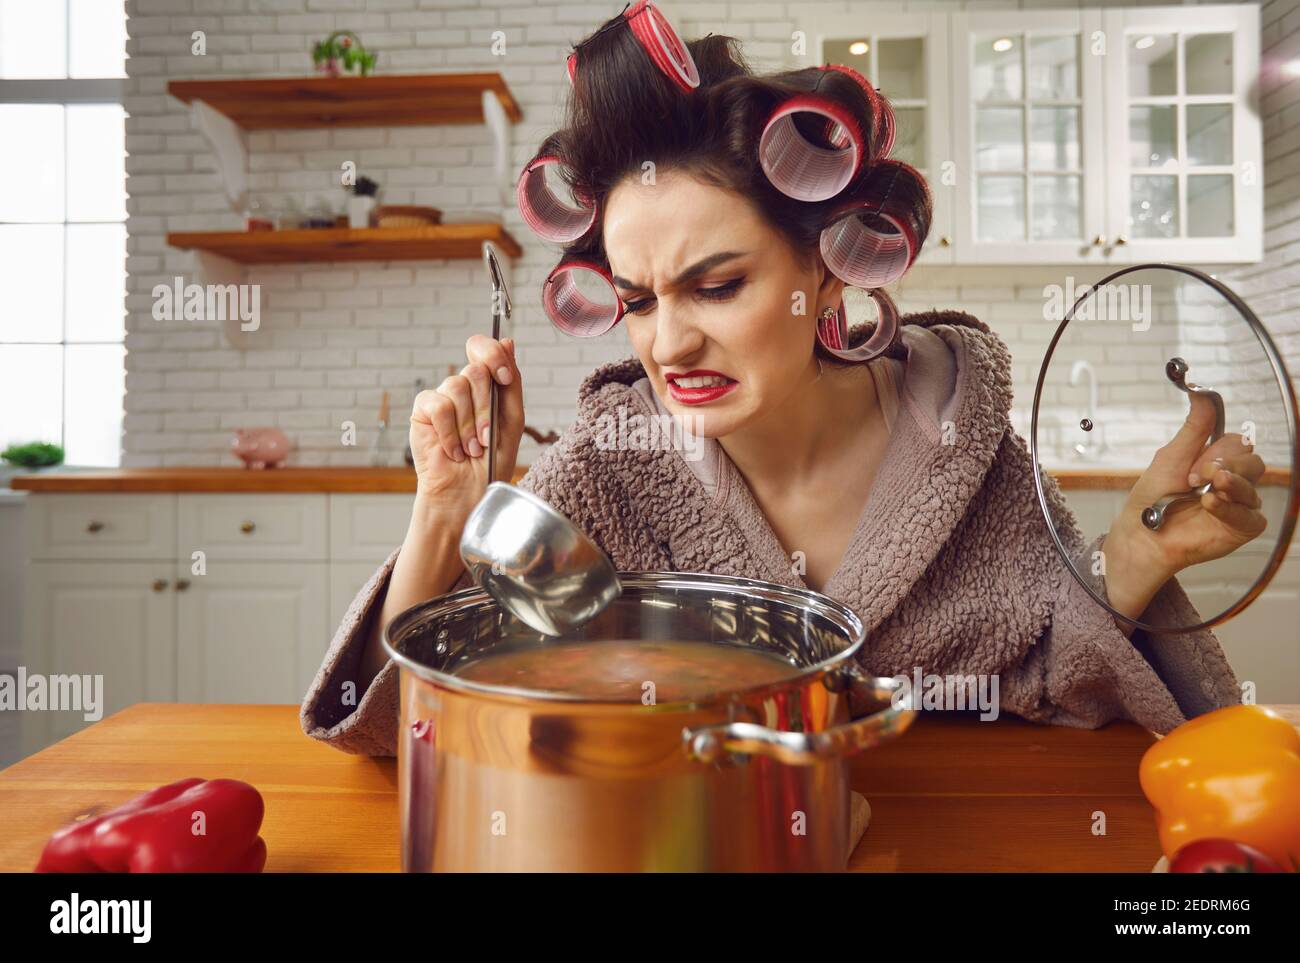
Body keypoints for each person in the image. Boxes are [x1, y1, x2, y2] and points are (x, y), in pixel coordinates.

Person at [300, 22, 1264, 761]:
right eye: (638, 300)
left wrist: (1130, 564)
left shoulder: (964, 451)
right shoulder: (606, 472)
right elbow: (411, 726)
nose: (670, 341)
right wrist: (443, 514)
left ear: (830, 264)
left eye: (718, 286)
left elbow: (1060, 677)